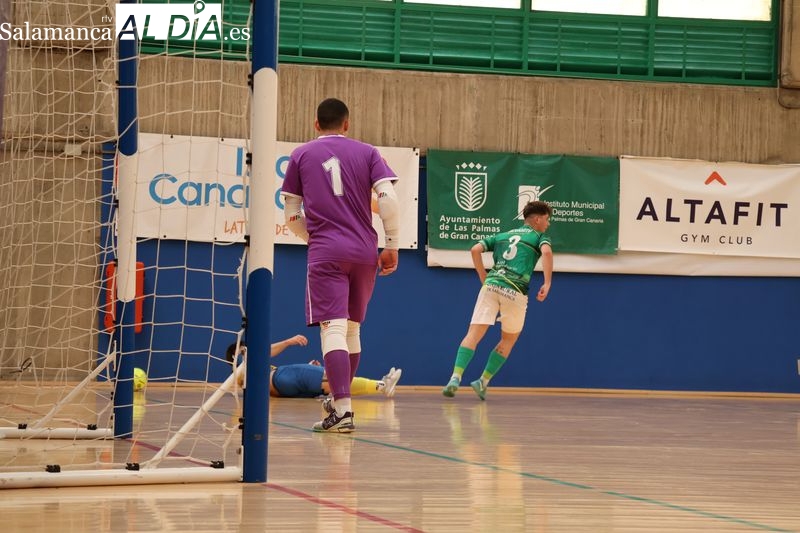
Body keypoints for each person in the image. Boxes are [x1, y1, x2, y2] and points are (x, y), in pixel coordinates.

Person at [280, 97, 400, 433]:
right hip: (364, 251)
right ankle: (338, 402)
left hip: (327, 251)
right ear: (347, 124)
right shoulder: (368, 152)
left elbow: (291, 216)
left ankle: (343, 411)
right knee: (351, 329)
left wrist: (316, 238)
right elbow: (388, 200)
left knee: (332, 329)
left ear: (316, 124)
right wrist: (392, 244)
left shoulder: (301, 154)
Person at [442, 200, 553, 400]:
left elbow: (475, 249)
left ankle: (455, 377)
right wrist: (547, 282)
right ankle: (482, 381)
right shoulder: (539, 237)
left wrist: (482, 276)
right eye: (547, 219)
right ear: (537, 219)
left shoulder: (503, 235)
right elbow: (546, 252)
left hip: (491, 285)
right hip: (515, 289)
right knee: (509, 339)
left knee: (473, 334)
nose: (548, 223)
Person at [225, 337, 402, 399]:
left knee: (330, 385)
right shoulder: (244, 370)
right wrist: (288, 342)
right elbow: (263, 352)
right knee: (334, 378)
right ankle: (382, 385)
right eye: (244, 351)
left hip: (285, 385)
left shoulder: (247, 377)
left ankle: (380, 386)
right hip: (286, 376)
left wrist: (308, 369)